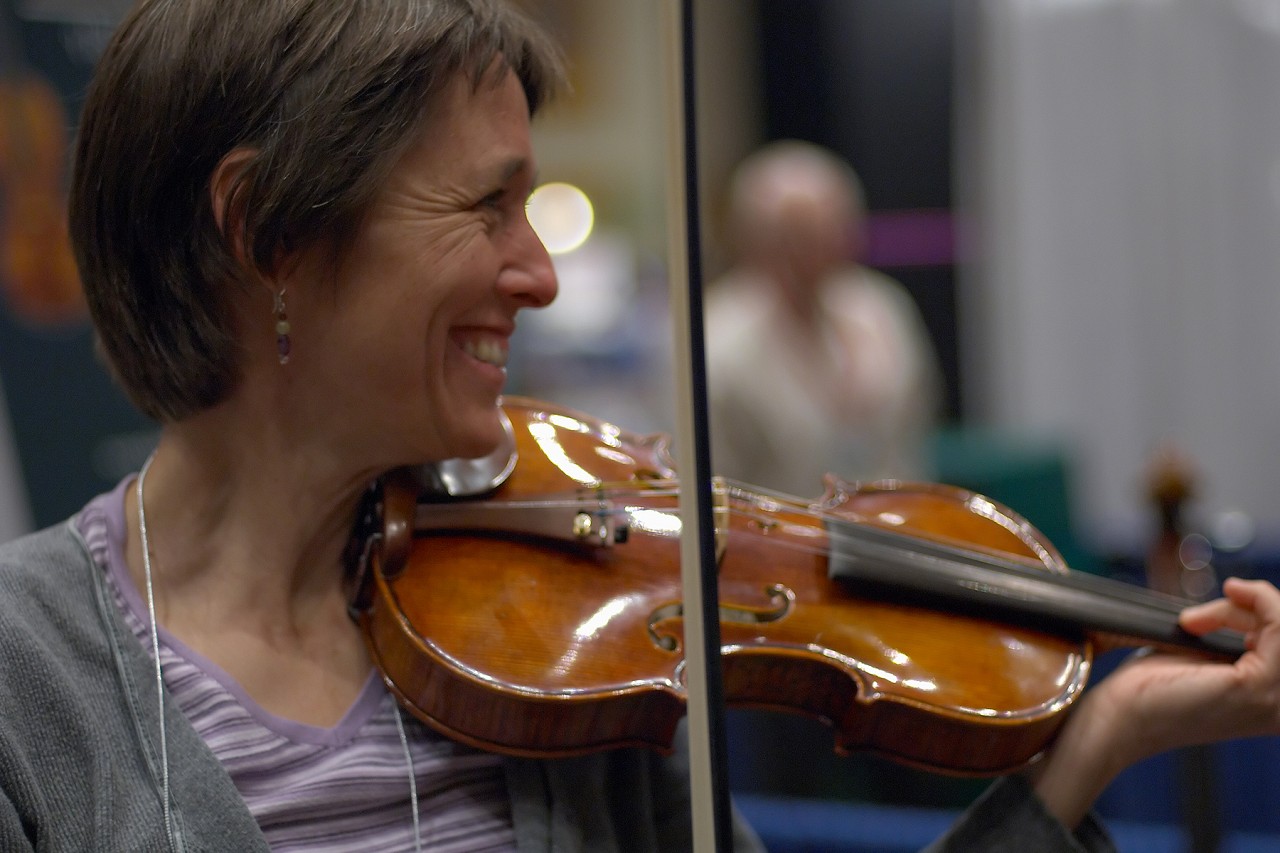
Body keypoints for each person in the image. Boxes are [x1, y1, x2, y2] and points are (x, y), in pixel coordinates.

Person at [0, 2, 1278, 852]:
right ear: (265, 229)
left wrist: (1101, 738)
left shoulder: (551, 656)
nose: (537, 273)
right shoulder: (27, 683)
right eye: (483, 208)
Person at [705, 140, 941, 498]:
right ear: (754, 239)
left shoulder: (881, 309)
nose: (821, 248)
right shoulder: (716, 340)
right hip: (775, 543)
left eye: (834, 228)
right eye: (798, 235)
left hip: (893, 532)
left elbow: (913, 433)